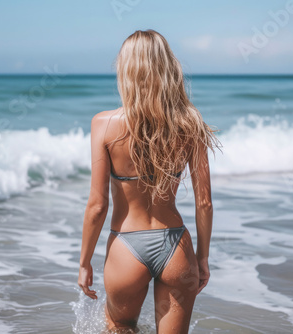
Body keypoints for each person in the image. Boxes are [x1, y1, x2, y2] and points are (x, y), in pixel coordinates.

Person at [78, 29, 220, 333]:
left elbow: (97, 205)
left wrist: (84, 262)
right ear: (167, 66)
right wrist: (203, 258)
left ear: (127, 69)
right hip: (176, 247)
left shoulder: (103, 124)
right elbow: (204, 203)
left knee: (120, 326)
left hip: (126, 247)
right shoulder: (190, 122)